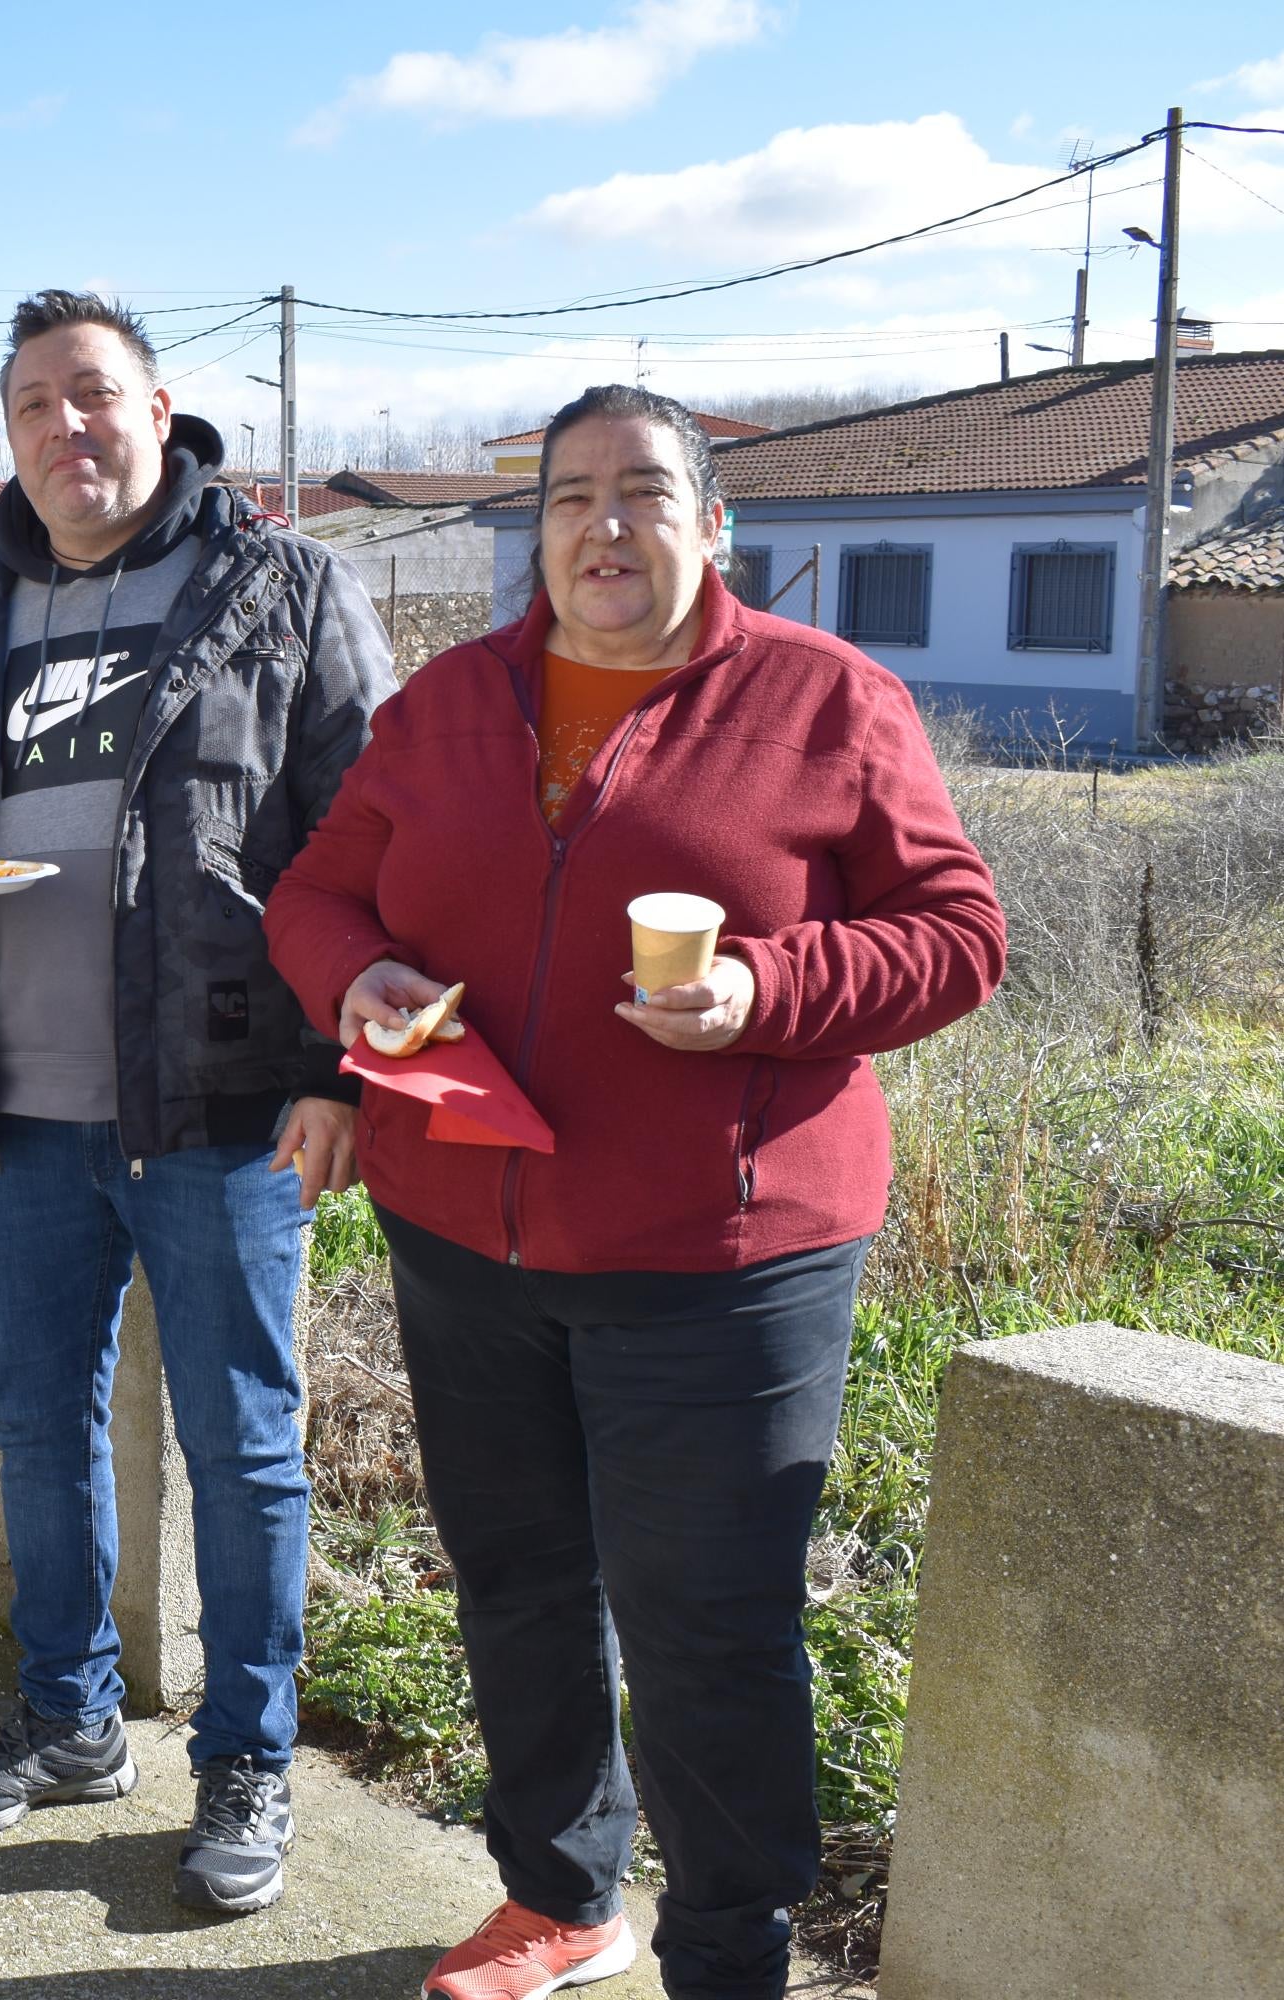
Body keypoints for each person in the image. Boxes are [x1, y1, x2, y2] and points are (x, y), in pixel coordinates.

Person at [263, 384, 1005, 2000]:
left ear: (714, 523)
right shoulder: (450, 704)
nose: (606, 524)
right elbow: (316, 894)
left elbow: (959, 936)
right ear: (533, 534)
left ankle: (729, 1958)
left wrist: (771, 989)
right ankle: (559, 1896)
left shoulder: (826, 703)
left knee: (709, 1627)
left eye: (646, 492)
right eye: (570, 496)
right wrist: (364, 981)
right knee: (520, 1583)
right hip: (464, 1231)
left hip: (720, 1258)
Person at [0, 290, 397, 1914]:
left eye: (92, 396)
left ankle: (245, 1762)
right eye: (32, 406)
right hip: (19, 1104)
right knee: (36, 1428)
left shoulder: (284, 589)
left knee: (242, 1448)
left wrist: (345, 1080)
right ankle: (72, 1719)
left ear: (162, 411)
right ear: (7, 434)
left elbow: (378, 843)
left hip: (228, 1105)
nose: (64, 429)